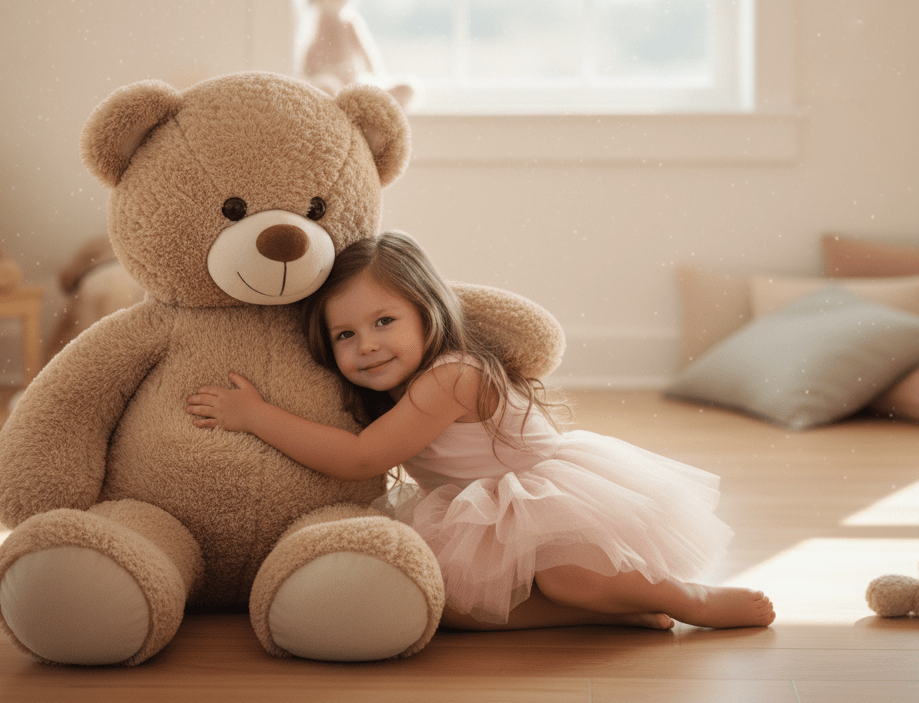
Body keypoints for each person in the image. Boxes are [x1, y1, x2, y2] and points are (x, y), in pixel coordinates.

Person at [186, 232, 775, 632]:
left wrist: (256, 415)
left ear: (428, 313)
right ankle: (614, 612)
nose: (366, 344)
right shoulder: (393, 382)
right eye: (345, 335)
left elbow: (362, 458)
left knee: (568, 575)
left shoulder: (453, 376)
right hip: (477, 510)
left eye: (384, 321)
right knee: (449, 608)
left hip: (545, 497)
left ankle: (682, 597)